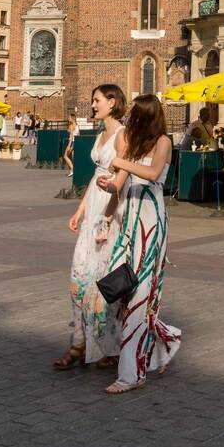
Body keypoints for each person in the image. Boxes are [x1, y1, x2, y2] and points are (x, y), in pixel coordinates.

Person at [98, 94, 180, 393]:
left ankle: (131, 375)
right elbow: (120, 182)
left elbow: (153, 173)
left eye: (136, 115)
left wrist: (122, 163)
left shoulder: (163, 143)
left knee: (139, 299)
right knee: (120, 292)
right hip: (129, 222)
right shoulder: (133, 145)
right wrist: (107, 188)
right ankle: (166, 338)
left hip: (150, 225)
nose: (131, 119)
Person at [54, 84, 127, 370]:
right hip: (93, 209)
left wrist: (108, 217)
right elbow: (97, 176)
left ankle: (110, 345)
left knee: (102, 282)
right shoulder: (99, 135)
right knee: (78, 279)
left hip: (110, 212)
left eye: (97, 100)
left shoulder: (123, 136)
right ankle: (79, 341)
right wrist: (79, 211)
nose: (93, 105)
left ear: (112, 102)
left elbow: (122, 178)